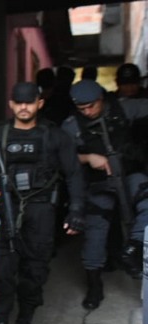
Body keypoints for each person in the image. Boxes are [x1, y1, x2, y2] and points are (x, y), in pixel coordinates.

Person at [0, 82, 85, 324]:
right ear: (11, 104)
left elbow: (73, 174)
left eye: (29, 102)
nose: (24, 107)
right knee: (1, 273)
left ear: (40, 103)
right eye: (18, 102)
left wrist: (76, 211)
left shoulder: (55, 136)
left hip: (41, 212)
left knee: (34, 272)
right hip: (4, 211)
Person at [61, 79, 148, 309]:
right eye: (82, 108)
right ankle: (94, 285)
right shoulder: (71, 126)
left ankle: (135, 247)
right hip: (99, 182)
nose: (87, 112)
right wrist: (88, 158)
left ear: (101, 98)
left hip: (129, 174)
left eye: (91, 106)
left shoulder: (123, 108)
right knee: (96, 231)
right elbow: (60, 158)